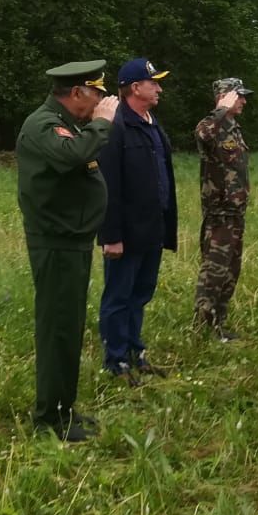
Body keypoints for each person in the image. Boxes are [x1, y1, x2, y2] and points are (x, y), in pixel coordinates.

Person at [16, 59, 119, 442]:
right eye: (96, 93)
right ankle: (49, 420)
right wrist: (102, 123)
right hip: (56, 244)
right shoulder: (43, 124)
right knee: (58, 329)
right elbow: (72, 155)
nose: (102, 101)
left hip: (72, 242)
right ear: (76, 92)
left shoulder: (72, 125)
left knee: (69, 328)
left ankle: (63, 408)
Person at [97, 57, 177, 385]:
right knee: (118, 295)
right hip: (125, 232)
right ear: (135, 87)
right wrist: (110, 236)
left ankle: (135, 351)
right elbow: (107, 185)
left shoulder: (152, 123)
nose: (158, 87)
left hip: (151, 229)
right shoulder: (115, 126)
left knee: (141, 293)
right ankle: (115, 361)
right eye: (153, 82)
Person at [194, 78, 253, 342]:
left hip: (235, 214)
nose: (243, 101)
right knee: (214, 271)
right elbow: (201, 132)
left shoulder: (233, 129)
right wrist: (221, 108)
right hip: (219, 214)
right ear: (225, 97)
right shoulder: (213, 125)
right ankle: (202, 327)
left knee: (231, 271)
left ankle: (218, 324)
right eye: (239, 96)